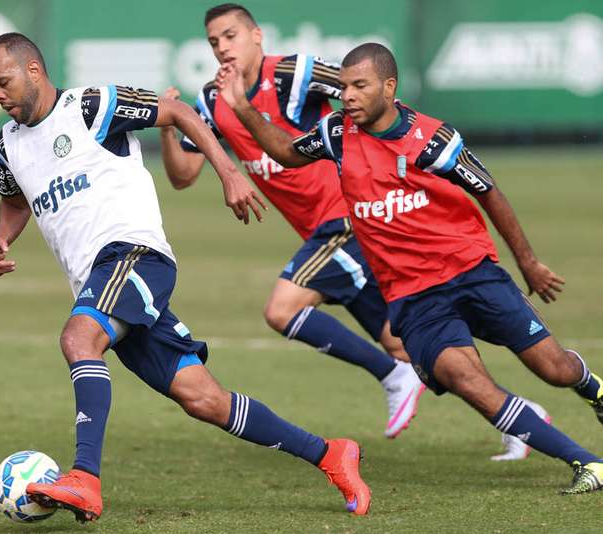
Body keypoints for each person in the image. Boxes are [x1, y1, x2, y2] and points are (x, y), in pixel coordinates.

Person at [0, 32, 372, 523]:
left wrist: (228, 172)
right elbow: (15, 201)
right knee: (203, 398)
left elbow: (180, 112)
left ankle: (84, 476)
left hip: (134, 255)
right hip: (101, 282)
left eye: (3, 82)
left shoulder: (92, 106)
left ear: (33, 70)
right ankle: (332, 454)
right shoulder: (7, 144)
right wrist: (1, 240)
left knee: (79, 338)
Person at [216, 42, 603, 494]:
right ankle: (587, 461)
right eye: (343, 88)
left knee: (554, 368)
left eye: (360, 86)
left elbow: (489, 191)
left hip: (472, 272)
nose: (349, 97)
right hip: (414, 298)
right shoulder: (336, 134)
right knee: (466, 379)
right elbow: (286, 151)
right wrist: (241, 107)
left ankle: (594, 389)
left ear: (389, 87)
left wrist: (528, 262)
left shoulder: (433, 139)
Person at [160, 2, 424, 439]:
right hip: (324, 235)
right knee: (405, 342)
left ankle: (392, 376)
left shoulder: (295, 73)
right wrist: (169, 127)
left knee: (282, 309)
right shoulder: (210, 100)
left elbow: (371, 98)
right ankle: (516, 415)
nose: (223, 47)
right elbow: (183, 176)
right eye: (213, 42)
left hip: (350, 220)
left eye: (231, 36)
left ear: (257, 35)